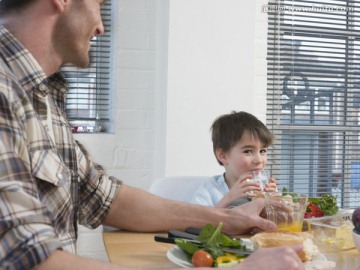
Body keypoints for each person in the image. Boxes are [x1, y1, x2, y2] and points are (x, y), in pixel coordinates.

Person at [0, 1, 305, 269]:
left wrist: (233, 219)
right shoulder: (5, 92)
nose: (101, 26)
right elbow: (26, 259)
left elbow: (107, 199)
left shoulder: (41, 97)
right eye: (99, 4)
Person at [191, 111, 277, 208]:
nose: (259, 160)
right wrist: (229, 198)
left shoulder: (264, 188)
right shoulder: (209, 190)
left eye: (262, 151)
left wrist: (274, 203)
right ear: (223, 156)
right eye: (248, 151)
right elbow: (196, 222)